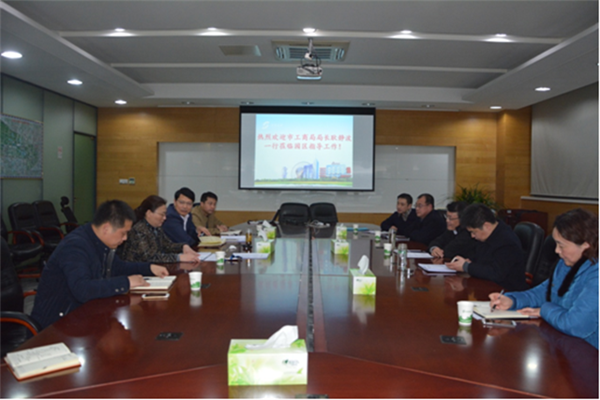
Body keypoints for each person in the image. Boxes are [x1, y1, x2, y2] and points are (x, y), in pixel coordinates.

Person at [31, 200, 169, 330]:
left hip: (83, 315)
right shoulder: (75, 246)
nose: (125, 238)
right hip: (57, 325)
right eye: (123, 233)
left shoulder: (101, 242)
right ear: (106, 228)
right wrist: (126, 282)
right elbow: (82, 289)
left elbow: (117, 267)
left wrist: (149, 268)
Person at [489, 208, 598, 349]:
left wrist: (543, 310)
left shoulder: (596, 276)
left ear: (585, 245)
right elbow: (544, 292)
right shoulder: (567, 263)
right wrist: (512, 300)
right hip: (562, 343)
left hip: (590, 352)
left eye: (561, 245)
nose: (557, 251)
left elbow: (576, 325)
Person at [445, 203, 528, 291]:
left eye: (474, 232)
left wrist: (467, 266)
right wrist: (468, 261)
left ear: (486, 226)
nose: (472, 236)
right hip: (487, 286)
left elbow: (496, 273)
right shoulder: (488, 235)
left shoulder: (506, 241)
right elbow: (481, 259)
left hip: (506, 292)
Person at [120, 195, 200, 263]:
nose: (164, 218)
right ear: (149, 213)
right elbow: (149, 258)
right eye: (162, 215)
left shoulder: (157, 227)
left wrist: (183, 246)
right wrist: (178, 257)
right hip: (137, 272)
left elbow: (167, 245)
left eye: (165, 214)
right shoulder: (138, 230)